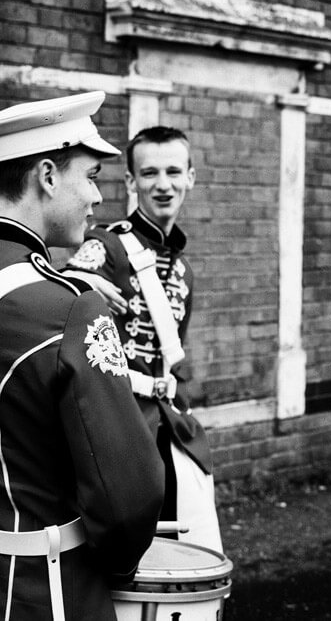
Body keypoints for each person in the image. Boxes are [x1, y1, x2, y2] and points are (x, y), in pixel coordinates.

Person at [0, 91, 164, 619]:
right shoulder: (67, 308)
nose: (98, 198)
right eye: (91, 176)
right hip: (39, 589)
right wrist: (117, 564)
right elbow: (128, 499)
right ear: (47, 176)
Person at [63, 126, 223, 552]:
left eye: (174, 171)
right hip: (119, 427)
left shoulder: (184, 269)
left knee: (192, 549)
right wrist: (81, 283)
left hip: (167, 424)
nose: (163, 184)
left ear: (191, 177)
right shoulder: (110, 244)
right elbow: (64, 282)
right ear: (132, 183)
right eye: (149, 173)